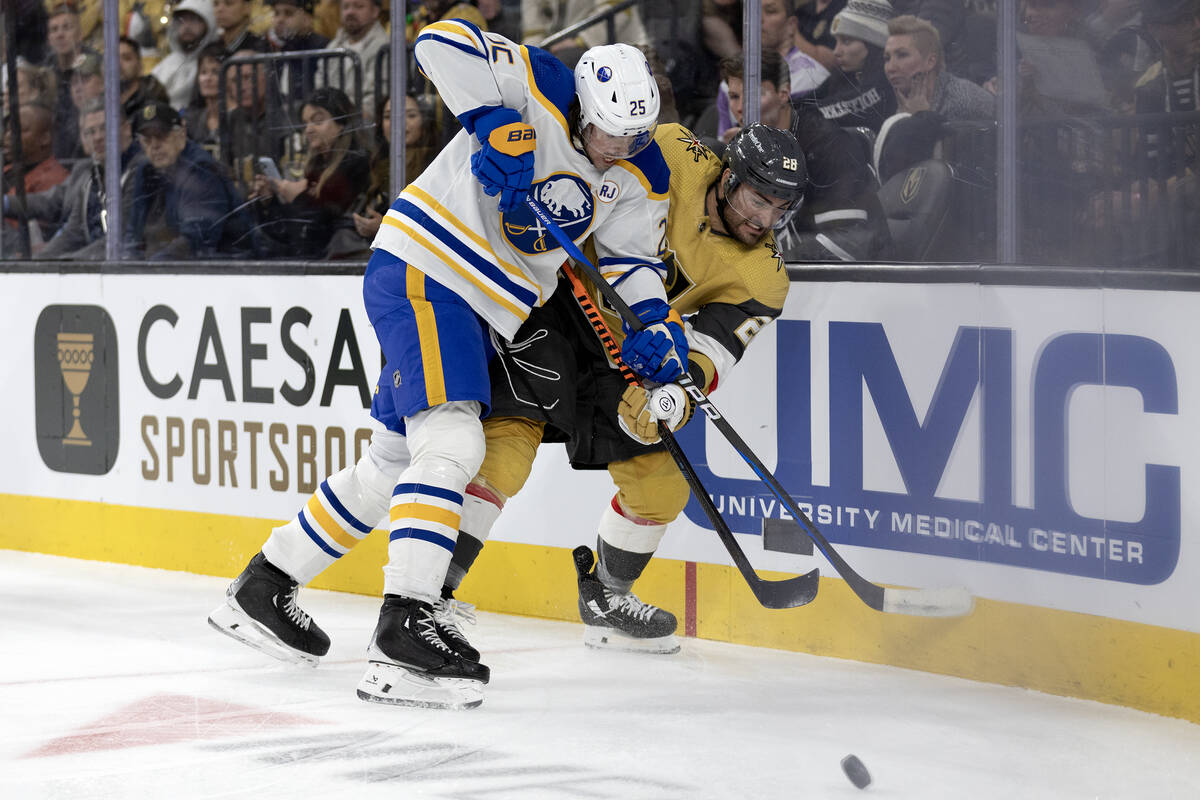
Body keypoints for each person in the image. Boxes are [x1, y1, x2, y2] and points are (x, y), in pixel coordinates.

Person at [209, 32, 678, 710]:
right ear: (584, 104)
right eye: (608, 131)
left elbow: (632, 262)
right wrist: (491, 120)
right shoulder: (539, 80)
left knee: (392, 465)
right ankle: (404, 629)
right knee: (454, 442)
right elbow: (440, 42)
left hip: (484, 306)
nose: (618, 147)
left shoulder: (643, 168)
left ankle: (265, 586)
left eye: (634, 135)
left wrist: (654, 323)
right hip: (429, 268)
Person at [441, 123, 806, 655]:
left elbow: (715, 350)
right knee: (505, 455)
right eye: (758, 199)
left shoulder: (763, 277)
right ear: (729, 177)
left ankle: (607, 599)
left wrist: (676, 394)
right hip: (558, 302)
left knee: (660, 489)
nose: (765, 219)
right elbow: (592, 165)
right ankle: (428, 599)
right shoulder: (674, 149)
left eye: (780, 209)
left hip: (628, 350)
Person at [722, 51, 892, 260]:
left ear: (783, 93)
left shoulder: (828, 146)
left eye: (753, 96)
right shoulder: (748, 152)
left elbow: (847, 242)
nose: (740, 108)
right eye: (734, 97)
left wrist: (765, 266)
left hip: (855, 285)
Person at [250, 86, 370, 257]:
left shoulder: (356, 163)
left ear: (341, 124)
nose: (308, 129)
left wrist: (296, 197)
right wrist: (269, 201)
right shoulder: (316, 166)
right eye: (305, 123)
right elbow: (289, 235)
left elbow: (319, 229)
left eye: (318, 121)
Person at [123, 100, 246, 258]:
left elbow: (194, 243)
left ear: (181, 135)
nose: (154, 146)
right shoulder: (146, 170)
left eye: (161, 136)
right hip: (173, 269)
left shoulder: (202, 171)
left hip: (230, 270)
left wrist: (149, 269)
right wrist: (127, 261)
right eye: (147, 140)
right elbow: (133, 232)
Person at [36, 100, 144, 259]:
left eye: (105, 128)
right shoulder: (91, 176)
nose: (98, 137)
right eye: (90, 132)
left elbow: (120, 237)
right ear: (83, 140)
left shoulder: (141, 169)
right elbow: (74, 233)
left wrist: (71, 262)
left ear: (126, 129)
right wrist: (39, 261)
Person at [716, 0, 831, 141]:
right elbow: (723, 141)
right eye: (753, 13)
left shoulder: (812, 76)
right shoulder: (726, 84)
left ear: (791, 25)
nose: (759, 19)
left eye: (770, 11)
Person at [883, 14, 995, 120]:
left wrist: (919, 119)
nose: (890, 68)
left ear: (930, 61)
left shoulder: (961, 103)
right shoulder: (906, 98)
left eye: (902, 55)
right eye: (887, 59)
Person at [811, 0, 898, 131]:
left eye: (846, 41)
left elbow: (846, 105)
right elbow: (810, 99)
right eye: (837, 41)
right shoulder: (844, 73)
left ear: (873, 44)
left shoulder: (885, 82)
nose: (836, 51)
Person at [321, 0, 388, 118]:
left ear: (375, 11)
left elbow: (380, 96)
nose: (350, 12)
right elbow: (320, 88)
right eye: (345, 7)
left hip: (365, 126)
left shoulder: (385, 47)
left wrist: (347, 119)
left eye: (359, 6)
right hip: (331, 123)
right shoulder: (332, 47)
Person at [152, 0, 221, 109]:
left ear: (209, 23)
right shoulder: (167, 64)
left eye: (194, 20)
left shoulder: (216, 62)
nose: (187, 26)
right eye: (182, 20)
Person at [119, 35, 171, 119]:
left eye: (127, 58)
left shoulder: (154, 98)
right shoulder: (100, 100)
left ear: (139, 65)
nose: (118, 64)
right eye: (112, 59)